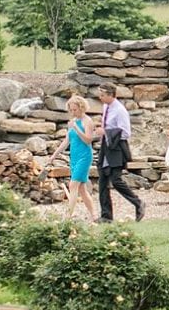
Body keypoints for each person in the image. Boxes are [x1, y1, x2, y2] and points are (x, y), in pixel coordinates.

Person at [94, 85, 144, 223]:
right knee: (103, 180)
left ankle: (138, 202)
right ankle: (106, 215)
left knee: (116, 180)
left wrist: (107, 132)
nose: (100, 97)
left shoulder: (120, 110)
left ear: (111, 95)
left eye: (103, 95)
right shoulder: (106, 107)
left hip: (117, 148)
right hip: (106, 146)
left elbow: (125, 132)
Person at [49, 95, 99, 221]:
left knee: (73, 185)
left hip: (84, 156)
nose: (72, 112)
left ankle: (67, 217)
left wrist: (76, 128)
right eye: (70, 110)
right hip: (74, 156)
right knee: (81, 189)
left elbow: (88, 140)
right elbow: (66, 141)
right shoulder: (72, 122)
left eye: (75, 110)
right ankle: (94, 215)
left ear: (81, 108)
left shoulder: (87, 121)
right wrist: (54, 155)